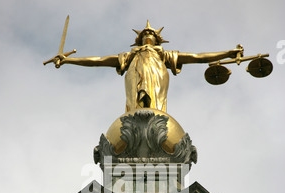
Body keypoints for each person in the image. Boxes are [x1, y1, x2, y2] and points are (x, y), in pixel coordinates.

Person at [54, 20, 242, 112]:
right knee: (136, 107)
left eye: (151, 33)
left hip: (157, 74)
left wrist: (227, 53)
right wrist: (69, 60)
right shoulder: (130, 56)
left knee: (156, 108)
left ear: (158, 39)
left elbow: (196, 57)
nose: (148, 34)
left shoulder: (162, 54)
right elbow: (100, 61)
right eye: (145, 33)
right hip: (134, 75)